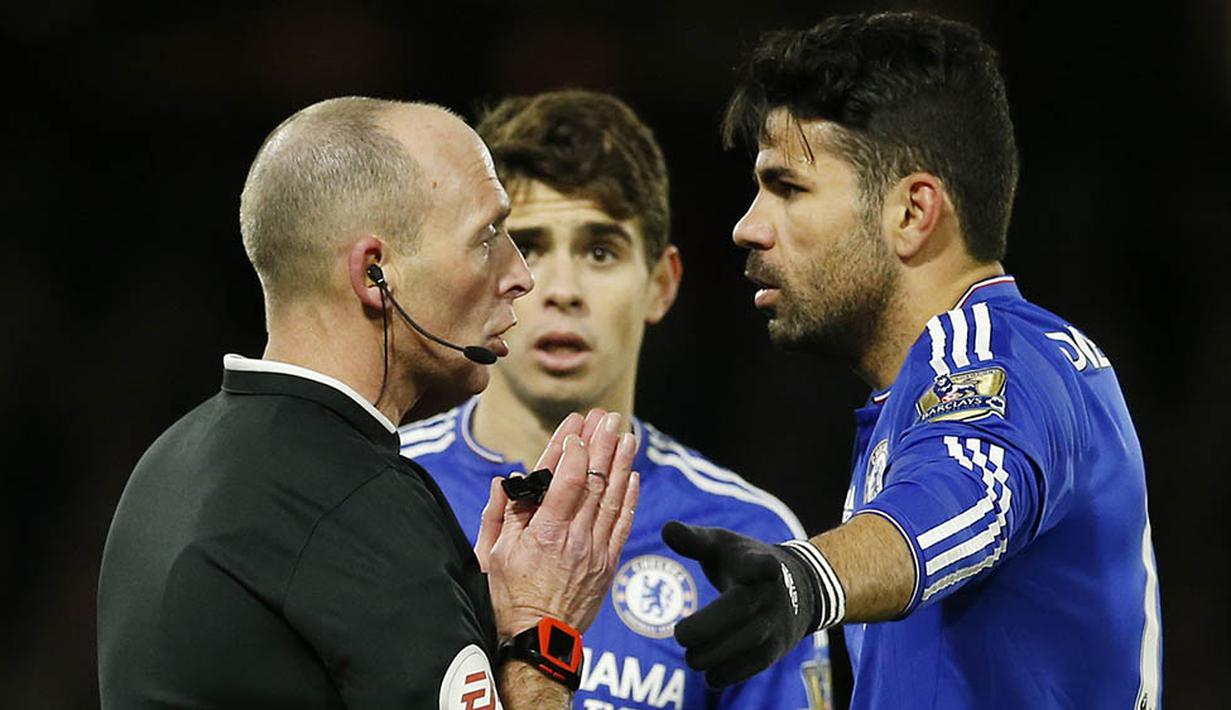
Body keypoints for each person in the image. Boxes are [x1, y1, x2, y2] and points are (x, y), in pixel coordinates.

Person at [660, 12, 1163, 709]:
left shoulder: (997, 358)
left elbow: (962, 497)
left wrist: (806, 581)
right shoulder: (928, 395)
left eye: (787, 187)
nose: (747, 225)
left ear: (911, 212)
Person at [97, 96, 640, 709]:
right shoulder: (354, 505)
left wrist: (482, 618)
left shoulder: (170, 461)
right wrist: (544, 631)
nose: (520, 274)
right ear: (375, 272)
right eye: (487, 237)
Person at [399, 90, 833, 709]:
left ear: (661, 284)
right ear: (482, 277)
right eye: (530, 247)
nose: (564, 291)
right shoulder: (387, 489)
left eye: (600, 251)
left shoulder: (747, 537)